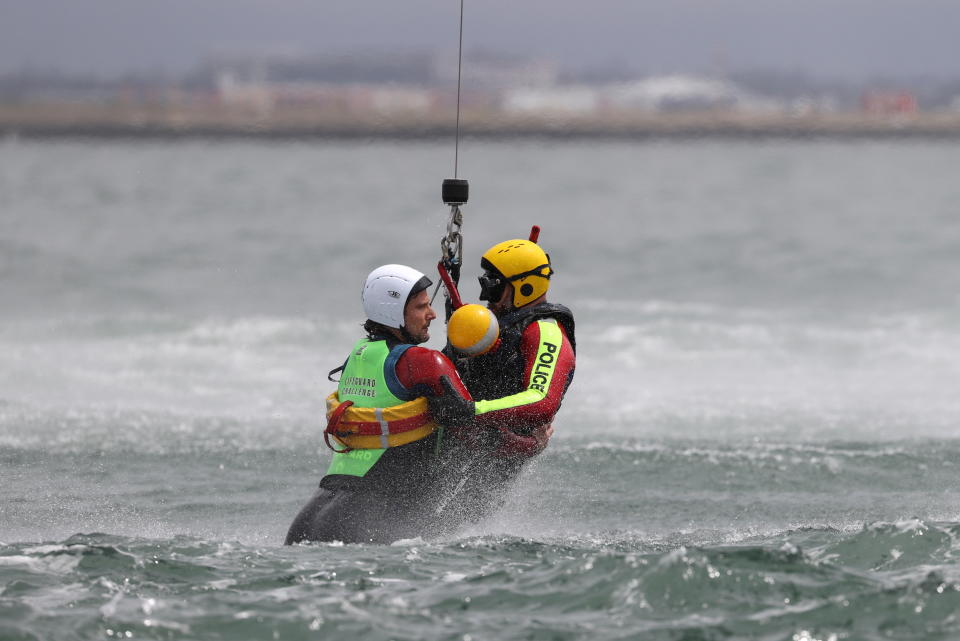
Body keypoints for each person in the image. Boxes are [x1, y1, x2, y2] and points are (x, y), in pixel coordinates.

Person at [285, 264, 476, 544]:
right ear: (394, 313)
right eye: (421, 307)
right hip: (363, 521)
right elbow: (470, 417)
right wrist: (530, 438)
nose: (432, 314)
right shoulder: (422, 362)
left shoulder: (357, 357)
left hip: (312, 518)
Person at [429, 237, 576, 524]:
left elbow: (542, 400)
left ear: (525, 287)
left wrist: (472, 411)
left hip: (498, 452)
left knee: (447, 524)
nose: (486, 296)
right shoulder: (496, 325)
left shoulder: (545, 332)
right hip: (456, 439)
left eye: (494, 286)